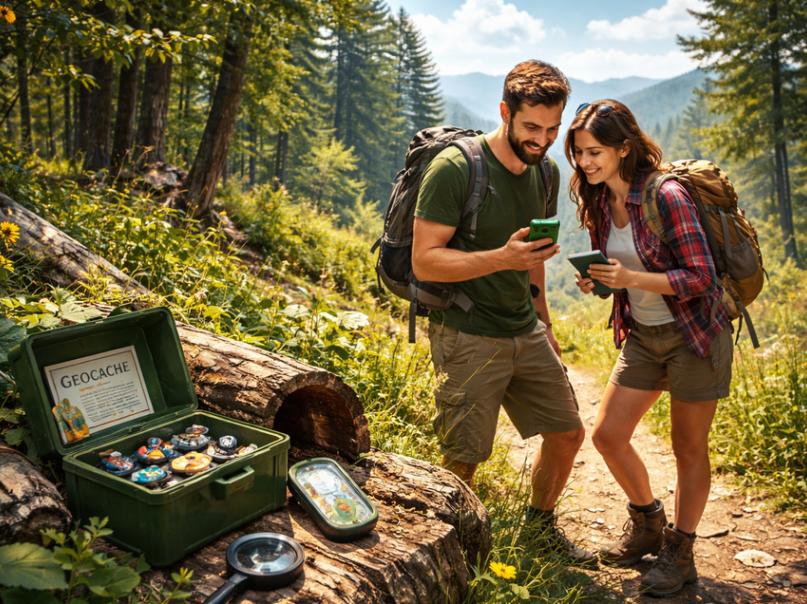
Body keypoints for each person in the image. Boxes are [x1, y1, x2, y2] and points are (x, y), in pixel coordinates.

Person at [411, 59, 592, 564]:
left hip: (524, 328)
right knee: (464, 456)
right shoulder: (455, 168)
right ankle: (446, 549)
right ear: (504, 113)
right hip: (467, 332)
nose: (543, 140)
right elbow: (424, 261)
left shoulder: (546, 171)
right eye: (532, 127)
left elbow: (533, 258)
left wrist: (546, 325)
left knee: (567, 433)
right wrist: (500, 258)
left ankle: (539, 528)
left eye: (553, 128)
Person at [565, 99, 733, 596]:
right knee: (608, 435)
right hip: (642, 334)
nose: (585, 163)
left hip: (694, 335)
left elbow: (701, 276)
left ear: (623, 147)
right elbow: (623, 276)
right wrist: (601, 283)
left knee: (687, 448)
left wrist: (631, 276)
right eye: (577, 153)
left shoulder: (668, 196)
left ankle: (681, 552)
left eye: (594, 152)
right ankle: (648, 523)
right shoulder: (597, 200)